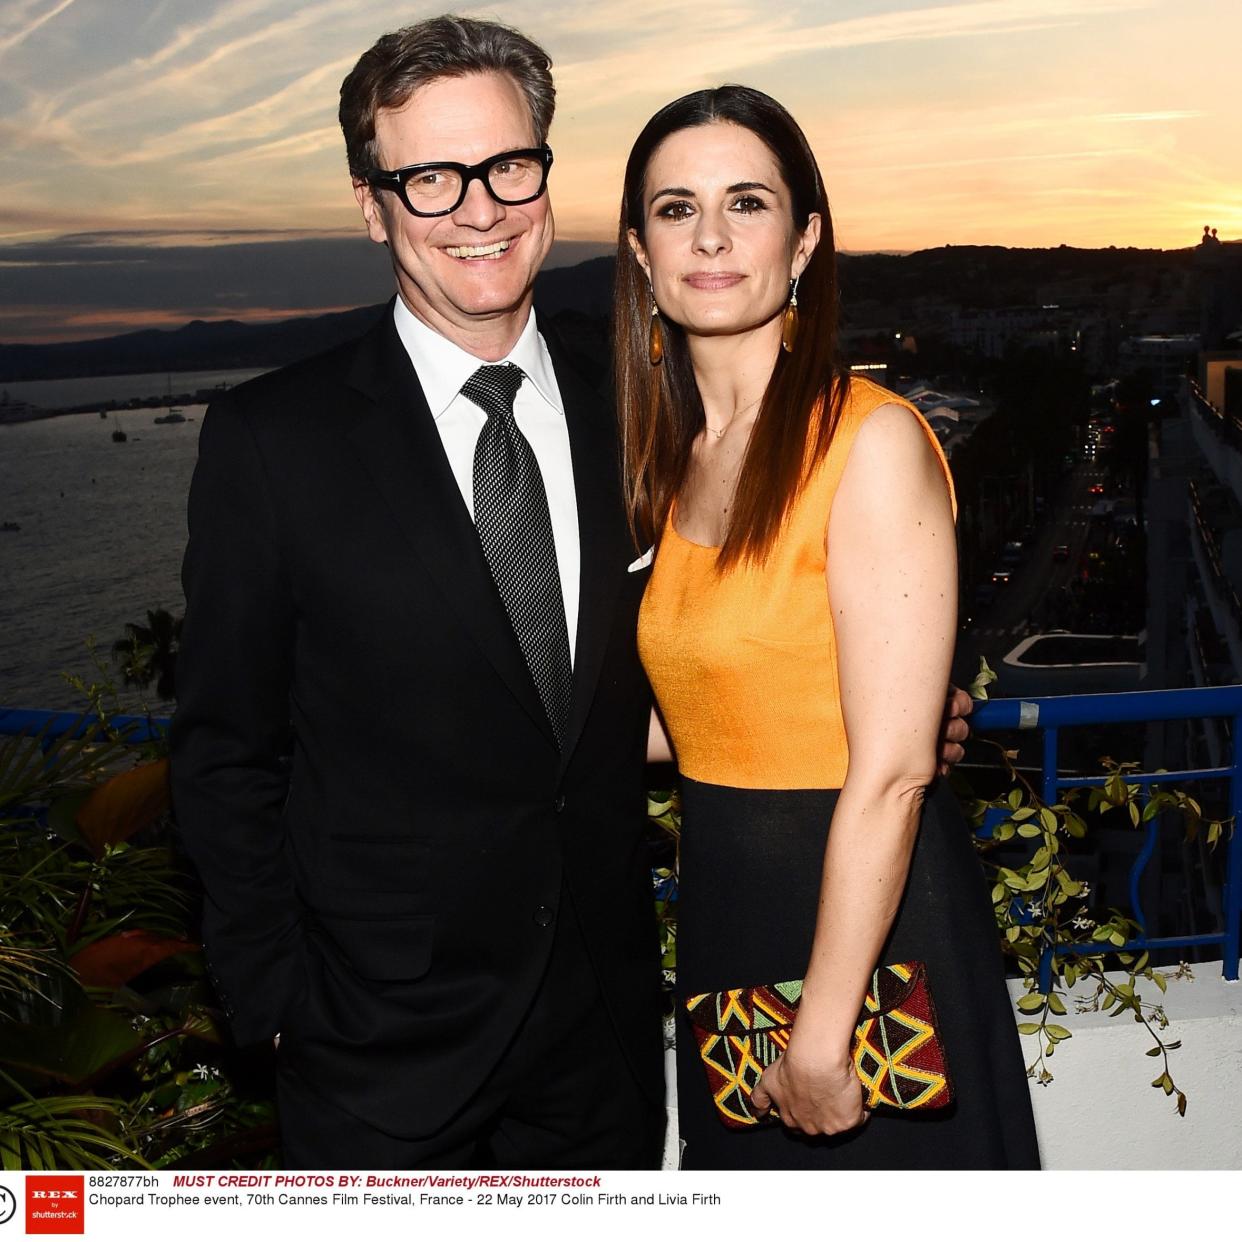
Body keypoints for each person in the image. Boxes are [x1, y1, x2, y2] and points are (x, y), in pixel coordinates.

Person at [171, 16, 972, 1171]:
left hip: (605, 1028)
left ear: (546, 176)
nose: (478, 208)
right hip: (377, 1051)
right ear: (371, 201)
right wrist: (278, 1003)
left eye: (507, 166)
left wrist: (887, 717)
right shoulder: (271, 439)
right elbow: (224, 754)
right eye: (431, 178)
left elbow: (738, 624)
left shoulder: (644, 403)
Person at [617, 86, 1039, 1170]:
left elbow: (895, 770)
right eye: (675, 208)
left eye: (746, 202)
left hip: (866, 939)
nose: (710, 236)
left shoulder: (870, 444)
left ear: (802, 240)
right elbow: (701, 722)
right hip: (730, 919)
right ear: (638, 250)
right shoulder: (674, 465)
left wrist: (821, 1034)